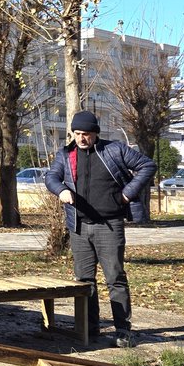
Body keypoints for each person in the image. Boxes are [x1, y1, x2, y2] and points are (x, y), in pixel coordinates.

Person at [45, 111, 156, 348]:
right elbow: (51, 177)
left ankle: (123, 330)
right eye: (77, 134)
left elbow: (147, 165)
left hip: (110, 225)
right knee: (85, 281)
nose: (81, 138)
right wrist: (61, 190)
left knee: (115, 278)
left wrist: (127, 194)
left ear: (95, 133)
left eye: (86, 134)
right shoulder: (66, 154)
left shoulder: (114, 149)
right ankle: (90, 327)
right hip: (79, 227)